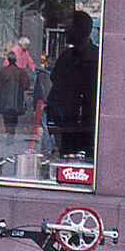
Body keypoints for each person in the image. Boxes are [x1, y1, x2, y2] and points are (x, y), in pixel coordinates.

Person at [44, 10, 98, 158]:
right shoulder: (66, 57)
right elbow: (55, 86)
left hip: (89, 128)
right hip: (66, 127)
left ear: (78, 30)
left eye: (68, 28)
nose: (65, 31)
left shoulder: (96, 58)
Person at [0, 53, 29, 137]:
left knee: (7, 118)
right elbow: (26, 85)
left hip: (5, 101)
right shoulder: (20, 72)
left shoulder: (3, 72)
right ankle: (11, 132)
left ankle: (9, 131)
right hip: (17, 101)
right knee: (14, 118)